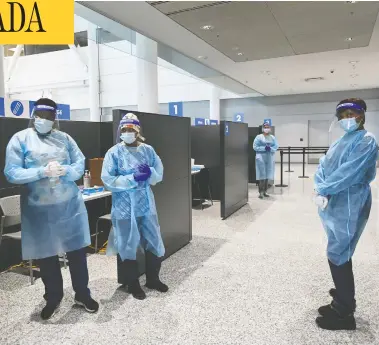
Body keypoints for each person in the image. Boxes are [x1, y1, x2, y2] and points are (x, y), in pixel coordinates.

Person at [4, 98, 99, 320]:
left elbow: (79, 164)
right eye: (41, 116)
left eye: (49, 117)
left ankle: (82, 294)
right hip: (39, 210)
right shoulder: (20, 139)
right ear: (34, 115)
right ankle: (53, 297)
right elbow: (12, 172)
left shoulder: (64, 139)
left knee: (76, 253)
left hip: (68, 207)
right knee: (46, 257)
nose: (44, 121)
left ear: (55, 118)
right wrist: (40, 172)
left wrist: (64, 170)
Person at [314, 98, 378, 331]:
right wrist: (320, 186)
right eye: (342, 115)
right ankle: (341, 298)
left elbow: (348, 173)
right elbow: (323, 165)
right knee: (336, 249)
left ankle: (345, 313)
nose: (346, 119)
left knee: (339, 252)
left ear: (362, 116)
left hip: (350, 201)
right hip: (333, 202)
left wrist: (324, 188)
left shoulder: (367, 142)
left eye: (351, 114)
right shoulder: (341, 140)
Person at [101, 113, 167, 300]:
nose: (128, 132)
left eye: (131, 129)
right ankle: (133, 284)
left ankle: (153, 279)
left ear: (138, 131)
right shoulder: (113, 153)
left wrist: (150, 172)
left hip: (145, 203)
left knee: (153, 241)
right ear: (120, 131)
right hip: (124, 206)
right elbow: (108, 180)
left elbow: (158, 175)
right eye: (125, 129)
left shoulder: (148, 150)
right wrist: (132, 178)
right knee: (127, 244)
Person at [253, 121, 278, 199]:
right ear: (262, 128)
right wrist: (264, 148)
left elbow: (276, 146)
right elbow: (255, 147)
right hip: (261, 158)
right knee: (262, 176)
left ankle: (265, 191)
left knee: (267, 175)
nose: (267, 129)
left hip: (269, 157)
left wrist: (270, 148)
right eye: (265, 127)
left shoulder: (272, 137)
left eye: (268, 127)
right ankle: (260, 192)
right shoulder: (258, 137)